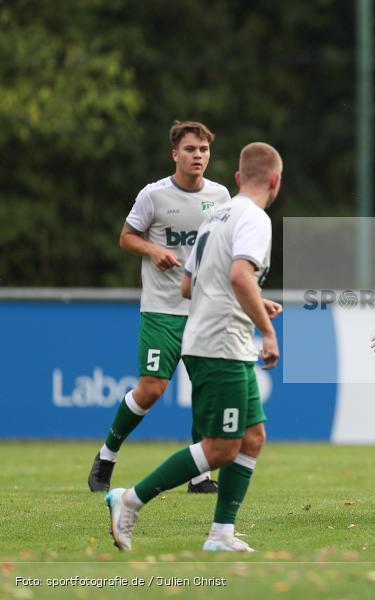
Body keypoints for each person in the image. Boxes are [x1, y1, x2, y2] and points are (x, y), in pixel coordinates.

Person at [105, 142, 283, 552]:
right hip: (221, 342)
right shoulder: (255, 218)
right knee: (221, 446)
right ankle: (129, 499)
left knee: (252, 436)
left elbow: (189, 285)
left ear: (238, 178)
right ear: (275, 181)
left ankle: (221, 534)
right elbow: (240, 276)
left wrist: (254, 298)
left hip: (214, 338)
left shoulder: (216, 214)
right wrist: (267, 331)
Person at [89, 121, 230, 494]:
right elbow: (126, 237)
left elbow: (223, 249)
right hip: (161, 310)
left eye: (203, 150)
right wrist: (153, 249)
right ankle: (107, 455)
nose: (198, 156)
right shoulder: (153, 196)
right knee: (151, 389)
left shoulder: (219, 197)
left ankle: (200, 475)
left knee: (207, 389)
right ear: (175, 154)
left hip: (203, 311)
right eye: (190, 150)